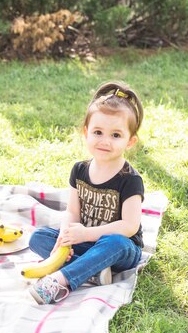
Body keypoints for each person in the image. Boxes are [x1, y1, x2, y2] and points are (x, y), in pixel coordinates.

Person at [28, 81, 145, 305]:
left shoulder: (130, 179)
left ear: (130, 141)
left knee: (115, 243)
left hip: (121, 248)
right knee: (38, 238)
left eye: (116, 135)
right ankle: (94, 271)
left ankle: (60, 280)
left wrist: (85, 235)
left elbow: (129, 227)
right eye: (98, 132)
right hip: (86, 241)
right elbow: (72, 211)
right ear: (86, 132)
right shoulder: (79, 170)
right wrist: (65, 237)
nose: (104, 141)